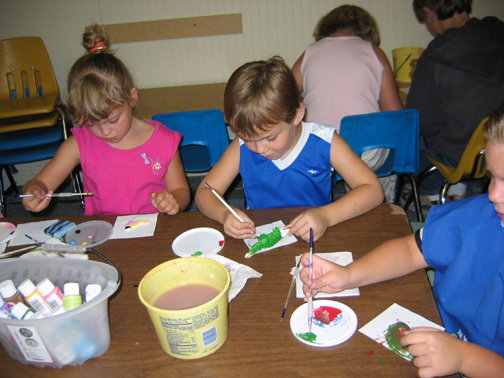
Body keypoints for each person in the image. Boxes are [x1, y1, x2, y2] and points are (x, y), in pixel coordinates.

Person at [300, 101, 504, 377]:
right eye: (493, 177)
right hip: (435, 333)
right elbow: (410, 250)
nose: (493, 194)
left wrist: (466, 360)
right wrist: (349, 275)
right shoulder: (477, 216)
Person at [195, 56, 384, 242]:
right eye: (247, 138)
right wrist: (224, 215)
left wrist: (326, 215)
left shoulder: (325, 141)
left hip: (316, 235)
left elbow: (372, 190)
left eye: (271, 137)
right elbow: (204, 193)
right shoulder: (241, 146)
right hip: (261, 237)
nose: (259, 148)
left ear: (297, 114)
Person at [22, 24, 190, 216]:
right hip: (103, 235)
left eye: (112, 120)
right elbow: (39, 182)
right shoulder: (79, 144)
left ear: (132, 97)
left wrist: (173, 201)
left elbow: (182, 192)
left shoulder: (163, 141)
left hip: (154, 231)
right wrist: (33, 191)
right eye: (92, 123)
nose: (105, 132)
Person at [291, 5, 403, 202]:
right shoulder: (374, 52)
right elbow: (395, 115)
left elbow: (283, 96)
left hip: (318, 151)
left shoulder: (310, 52)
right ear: (367, 30)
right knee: (386, 146)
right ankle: (380, 206)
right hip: (366, 154)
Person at [406, 0, 504, 203]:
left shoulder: (435, 56)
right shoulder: (498, 32)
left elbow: (424, 124)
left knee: (411, 133)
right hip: (497, 143)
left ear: (429, 13)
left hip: (463, 155)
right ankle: (471, 188)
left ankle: (432, 191)